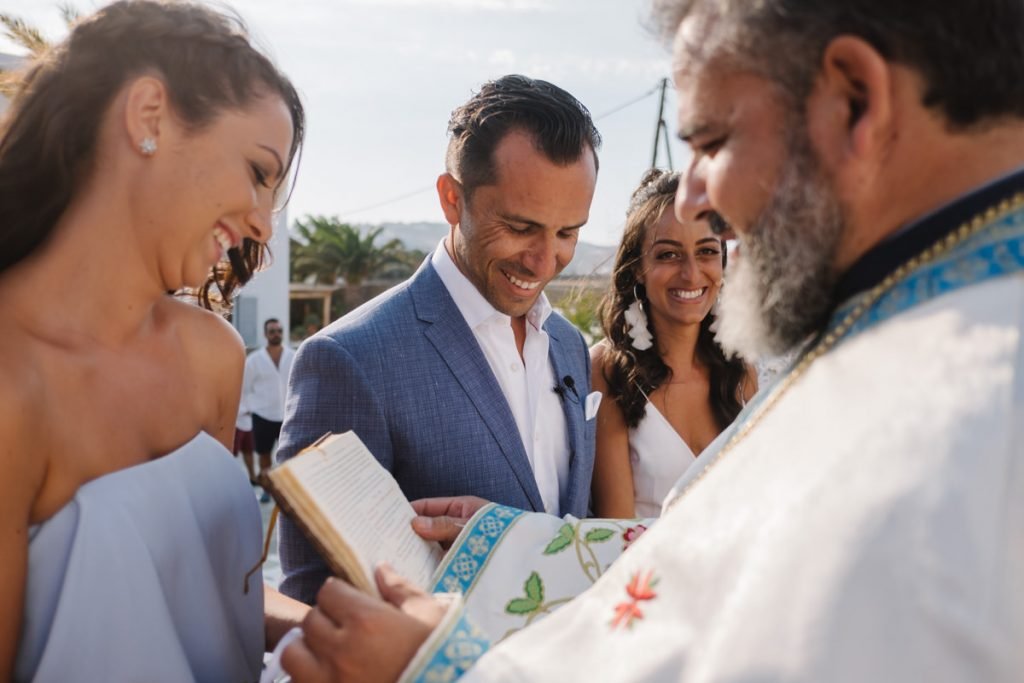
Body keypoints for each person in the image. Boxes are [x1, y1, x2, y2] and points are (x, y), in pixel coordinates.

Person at [282, 0, 1024, 680]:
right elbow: (710, 558)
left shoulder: (962, 400)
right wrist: (509, 546)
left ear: (853, 101)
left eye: (713, 142)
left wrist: (440, 670)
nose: (696, 196)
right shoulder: (897, 337)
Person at [0, 2, 310, 680]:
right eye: (258, 172)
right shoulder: (11, 382)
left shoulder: (212, 356)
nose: (264, 225)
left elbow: (198, 594)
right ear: (148, 117)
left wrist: (326, 628)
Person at [276, 74, 602, 605]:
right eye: (521, 227)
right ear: (452, 199)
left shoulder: (568, 345)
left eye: (568, 233)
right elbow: (316, 600)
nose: (545, 262)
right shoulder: (349, 360)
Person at [590, 168, 754, 517]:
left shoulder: (743, 368)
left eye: (706, 251)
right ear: (637, 267)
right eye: (668, 254)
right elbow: (616, 527)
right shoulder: (607, 371)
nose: (691, 274)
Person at [241, 317, 295, 500]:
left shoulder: (293, 356)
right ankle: (266, 489)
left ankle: (288, 491)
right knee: (264, 455)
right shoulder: (254, 360)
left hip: (287, 415)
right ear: (265, 334)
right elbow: (244, 387)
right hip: (262, 415)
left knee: (289, 455)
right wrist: (251, 407)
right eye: (272, 331)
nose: (276, 334)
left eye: (279, 331)